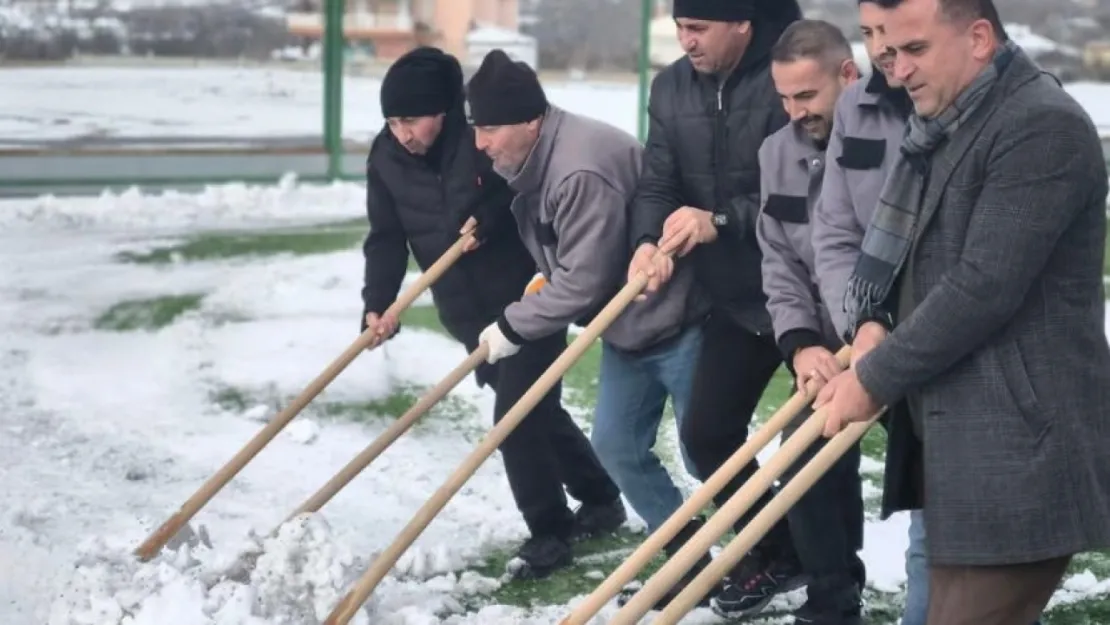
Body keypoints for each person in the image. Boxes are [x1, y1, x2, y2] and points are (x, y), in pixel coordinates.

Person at [813, 0, 1110, 623]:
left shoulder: (1040, 125)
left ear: (979, 38)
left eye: (916, 50)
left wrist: (870, 380)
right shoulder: (951, 122)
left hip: (1021, 446)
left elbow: (983, 285)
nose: (897, 72)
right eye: (890, 53)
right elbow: (924, 262)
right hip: (960, 437)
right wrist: (874, 321)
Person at [360, 46, 625, 581]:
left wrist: (488, 217)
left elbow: (522, 186)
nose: (403, 132)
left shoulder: (484, 135)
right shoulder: (385, 157)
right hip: (465, 311)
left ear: (444, 111)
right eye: (392, 121)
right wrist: (378, 303)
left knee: (516, 416)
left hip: (527, 297)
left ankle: (549, 530)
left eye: (412, 119)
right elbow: (386, 237)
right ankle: (601, 497)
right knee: (535, 409)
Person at [464, 47, 712, 587]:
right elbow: (569, 259)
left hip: (677, 321)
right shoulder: (536, 155)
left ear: (530, 119)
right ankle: (689, 555)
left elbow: (587, 281)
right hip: (628, 329)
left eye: (489, 129)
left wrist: (513, 325)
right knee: (618, 448)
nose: (480, 144)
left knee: (709, 453)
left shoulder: (578, 167)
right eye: (475, 128)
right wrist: (541, 277)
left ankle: (781, 550)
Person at [625, 0, 808, 613]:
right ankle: (779, 552)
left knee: (819, 443)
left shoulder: (789, 73)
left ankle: (838, 590)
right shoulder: (672, 84)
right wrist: (648, 241)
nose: (685, 40)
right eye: (679, 26)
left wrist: (723, 219)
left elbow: (810, 190)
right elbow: (659, 180)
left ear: (742, 25)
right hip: (737, 299)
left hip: (814, 292)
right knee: (706, 435)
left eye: (697, 27)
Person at [747, 19, 865, 625]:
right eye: (784, 97)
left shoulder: (899, 139)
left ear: (848, 75)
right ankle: (834, 598)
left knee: (931, 474)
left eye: (807, 96)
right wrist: (798, 345)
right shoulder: (778, 152)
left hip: (893, 339)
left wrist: (870, 335)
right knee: (804, 461)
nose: (794, 112)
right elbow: (780, 259)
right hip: (822, 344)